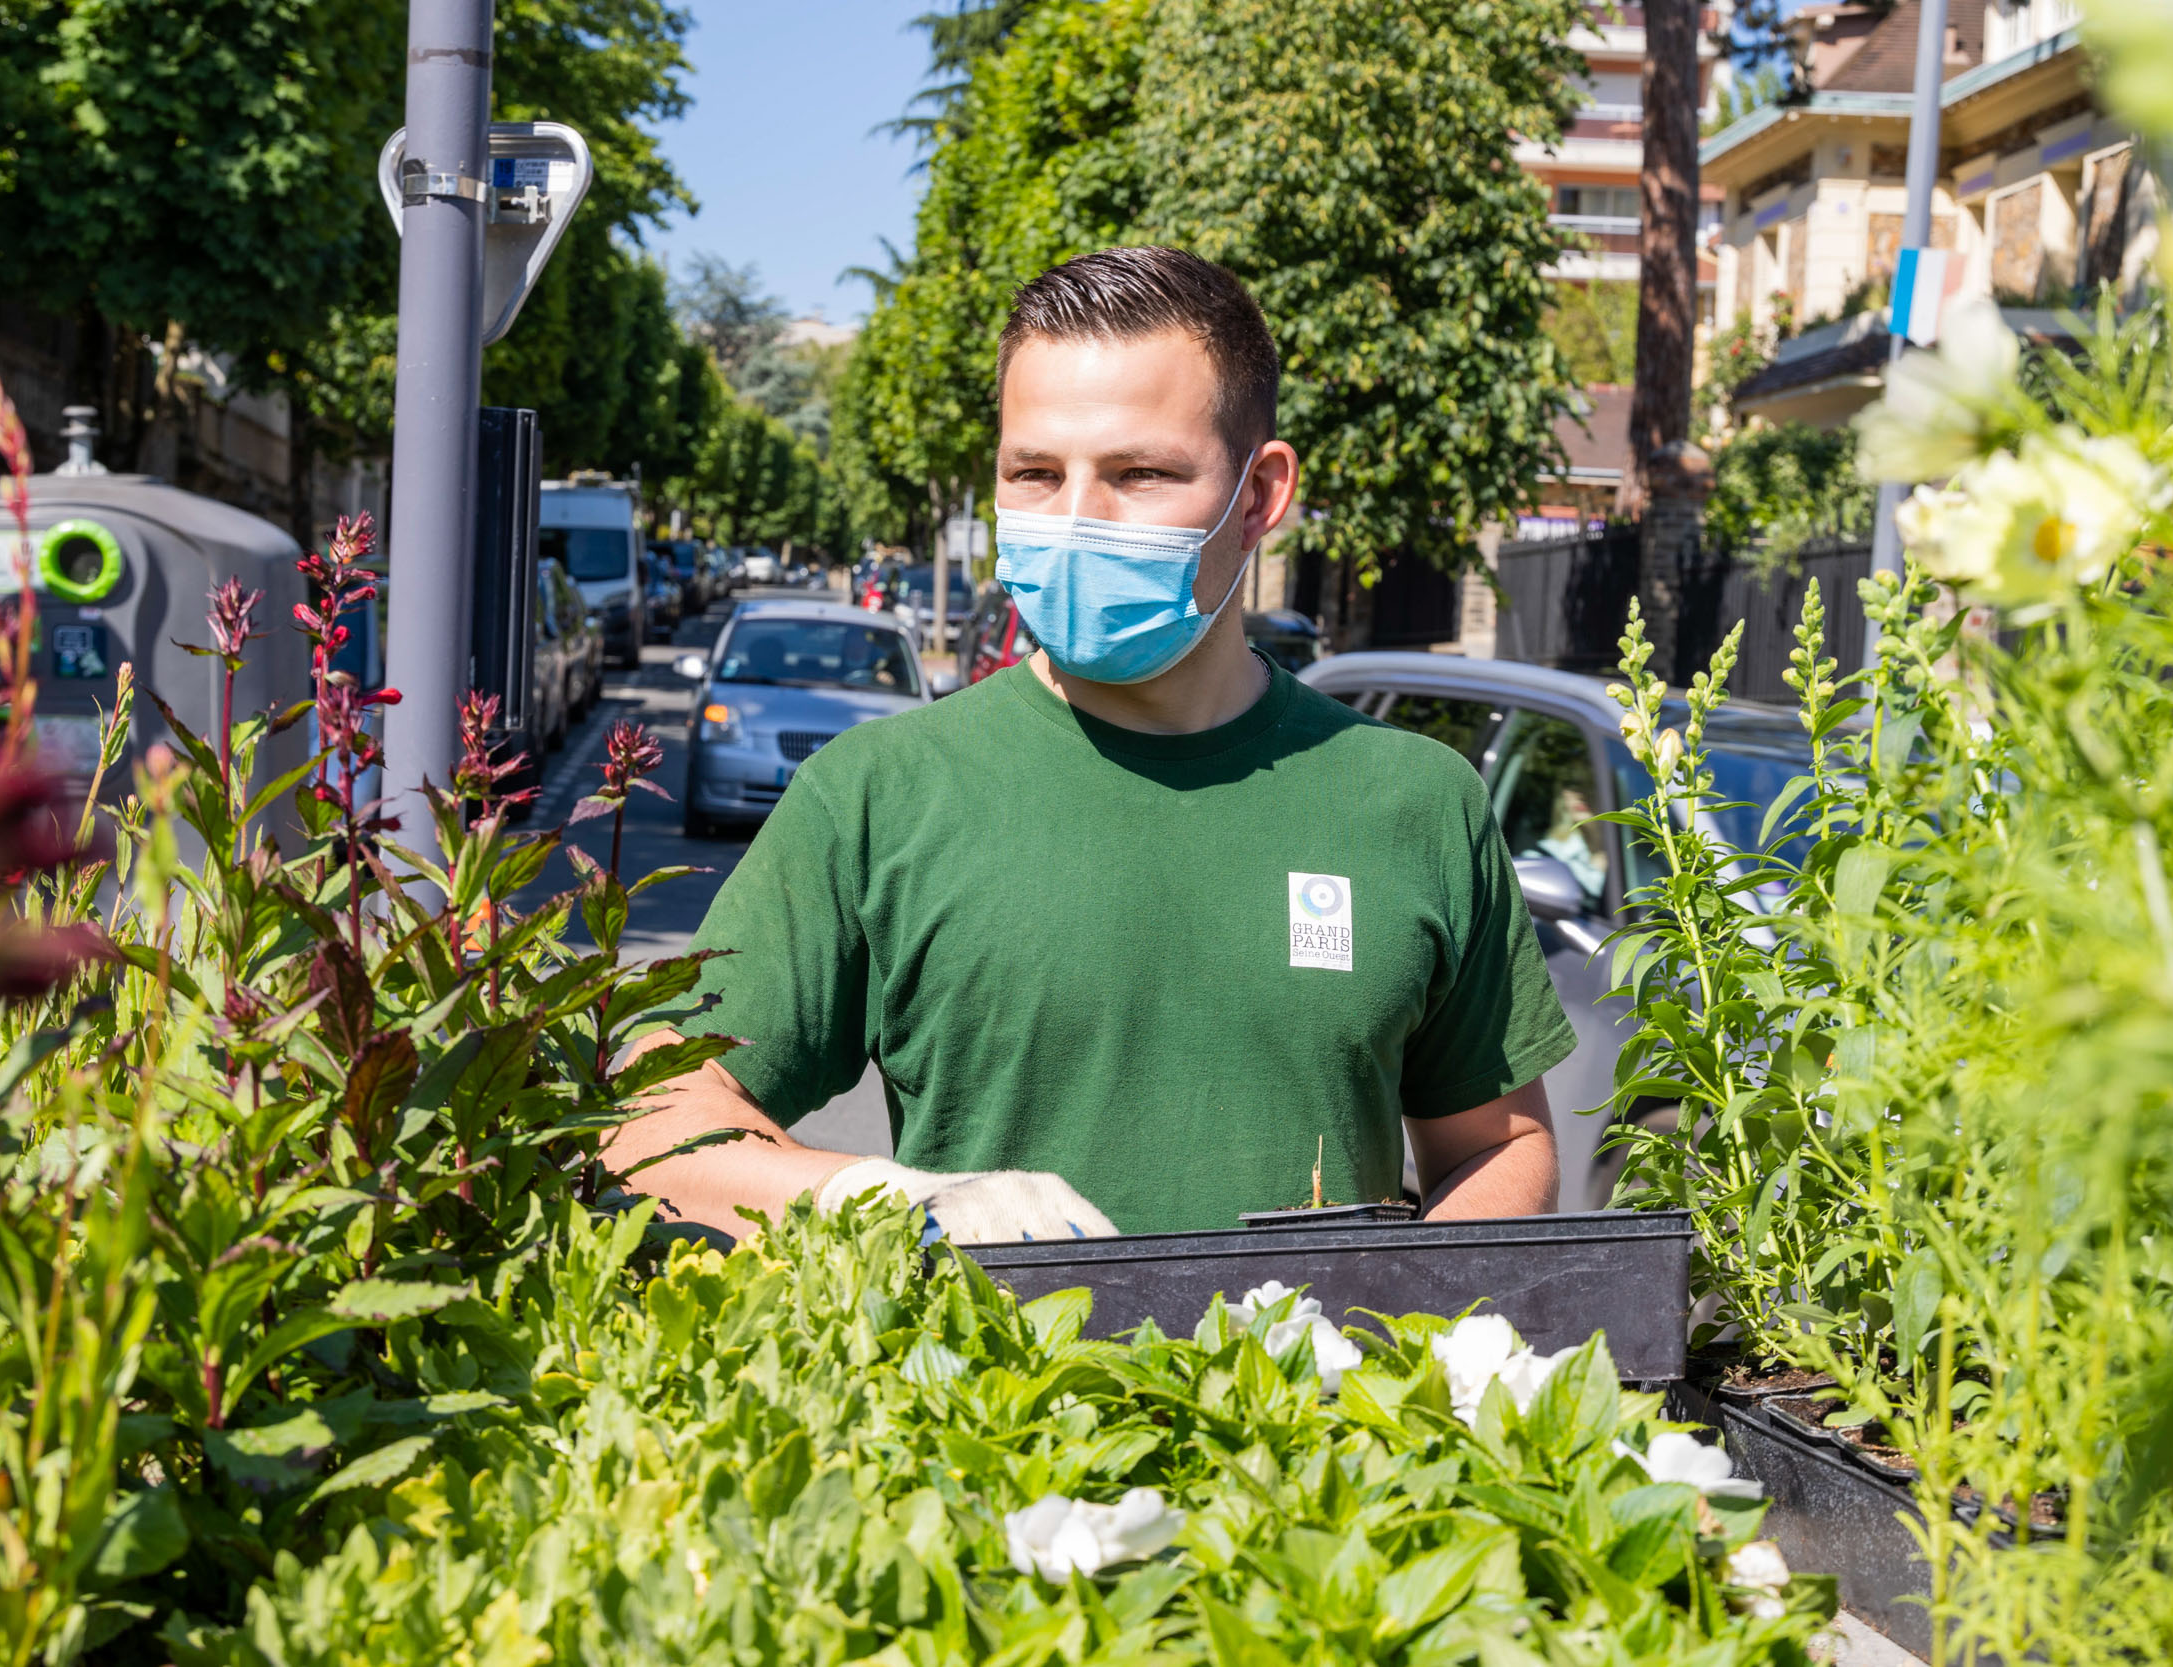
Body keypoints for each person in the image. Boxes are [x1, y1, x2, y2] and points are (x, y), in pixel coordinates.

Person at [607, 247, 1576, 1242]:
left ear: (1259, 495)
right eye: (1033, 472)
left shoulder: (1413, 800)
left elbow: (1498, 1142)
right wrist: (882, 1198)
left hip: (1310, 1401)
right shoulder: (876, 795)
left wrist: (1415, 1325)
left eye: (1139, 473)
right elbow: (650, 1116)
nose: (1074, 520)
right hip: (981, 1399)